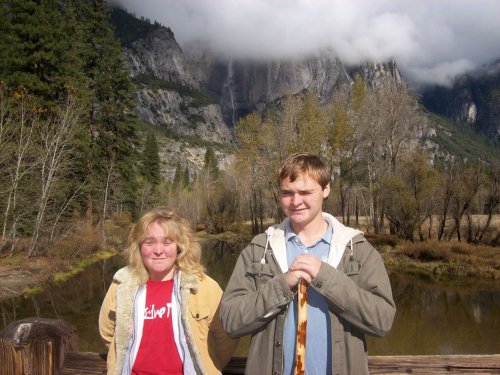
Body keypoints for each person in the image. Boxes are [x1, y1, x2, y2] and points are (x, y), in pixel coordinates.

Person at [220, 152, 396, 375]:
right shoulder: (260, 249)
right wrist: (281, 286)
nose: (295, 201)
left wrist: (327, 278)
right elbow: (230, 321)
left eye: (305, 192)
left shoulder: (357, 249)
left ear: (326, 190)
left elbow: (382, 321)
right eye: (287, 193)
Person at [99, 207, 237, 375]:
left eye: (167, 242)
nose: (158, 250)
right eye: (150, 242)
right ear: (139, 246)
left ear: (180, 246)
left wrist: (208, 365)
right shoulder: (122, 285)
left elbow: (226, 337)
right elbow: (107, 332)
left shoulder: (204, 287)